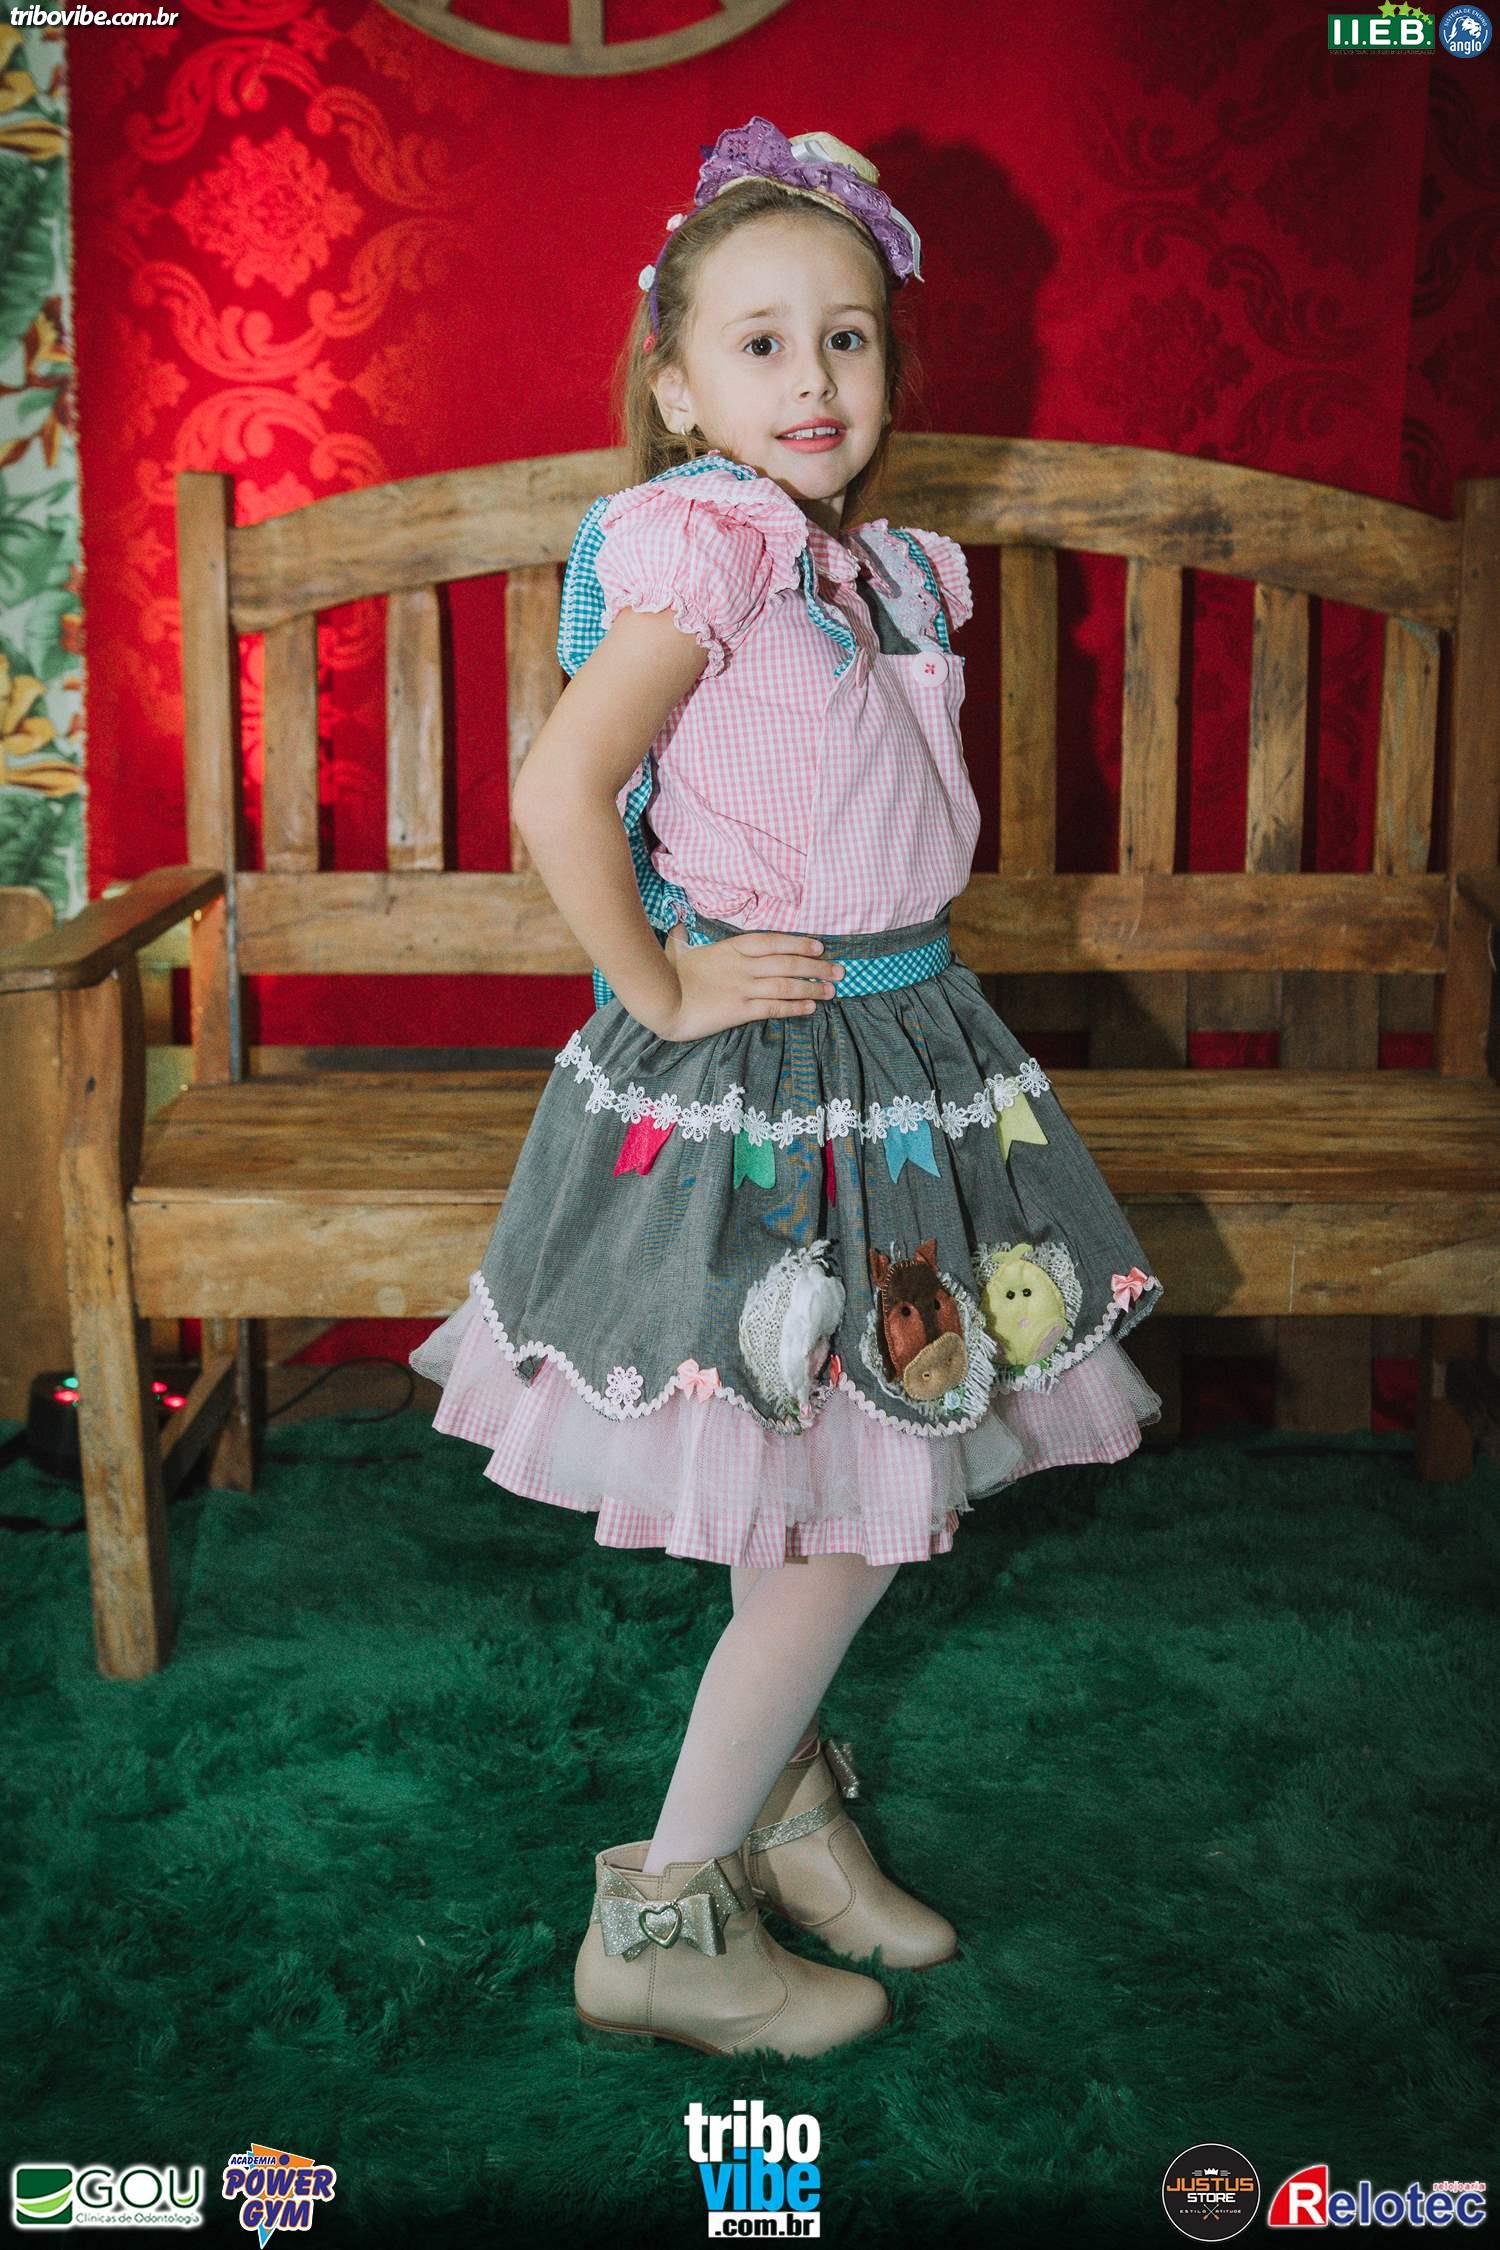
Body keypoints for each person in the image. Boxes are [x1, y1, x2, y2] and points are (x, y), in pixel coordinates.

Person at [409, 116, 1165, 2060]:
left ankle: (792, 1815)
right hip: (773, 1087)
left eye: (848, 337)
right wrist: (660, 982)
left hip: (902, 1059)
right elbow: (560, 790)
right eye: (759, 343)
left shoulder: (874, 561)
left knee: (815, 1465)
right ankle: (663, 1914)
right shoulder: (713, 540)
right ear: (676, 384)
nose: (813, 377)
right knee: (851, 1508)